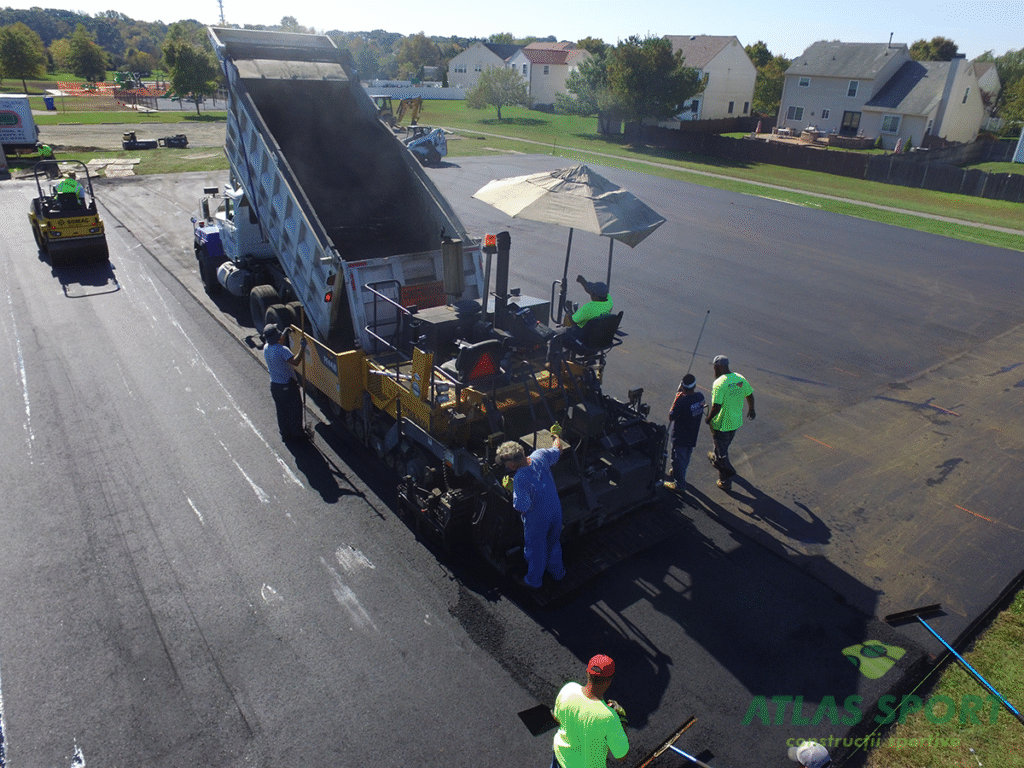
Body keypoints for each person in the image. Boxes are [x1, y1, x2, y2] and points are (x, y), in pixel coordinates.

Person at [496, 429, 567, 588]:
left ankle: (533, 581)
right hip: (555, 511)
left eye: (507, 464)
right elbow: (558, 450)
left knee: (536, 551)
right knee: (554, 544)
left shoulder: (520, 478)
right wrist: (556, 435)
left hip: (538, 520)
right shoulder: (540, 456)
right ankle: (558, 573)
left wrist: (512, 488)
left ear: (512, 464)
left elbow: (522, 506)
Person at [551, 654, 629, 768]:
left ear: (587, 673)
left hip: (560, 758)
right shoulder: (609, 718)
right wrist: (622, 720)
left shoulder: (568, 690)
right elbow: (621, 756)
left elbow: (558, 718)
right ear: (609, 681)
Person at [705, 355, 755, 491]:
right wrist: (751, 409)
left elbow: (716, 406)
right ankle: (716, 454)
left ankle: (725, 480)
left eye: (715, 367)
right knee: (723, 445)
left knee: (723, 454)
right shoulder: (739, 378)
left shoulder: (719, 383)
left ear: (719, 367)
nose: (714, 370)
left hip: (721, 424)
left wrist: (709, 419)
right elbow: (749, 395)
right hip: (735, 422)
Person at [263, 323, 307, 442]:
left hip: (275, 386)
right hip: (287, 387)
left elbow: (277, 341)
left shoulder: (266, 348)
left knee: (282, 412)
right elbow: (296, 362)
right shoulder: (282, 350)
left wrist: (284, 333)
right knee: (295, 411)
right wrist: (302, 347)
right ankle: (298, 436)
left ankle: (286, 435)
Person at [664, 373, 704, 493]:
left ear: (682, 387)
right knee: (685, 457)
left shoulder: (681, 401)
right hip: (693, 434)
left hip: (680, 436)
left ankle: (679, 484)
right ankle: (677, 472)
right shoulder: (700, 397)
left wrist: (676, 399)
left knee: (678, 459)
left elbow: (671, 416)